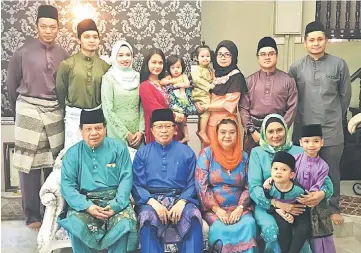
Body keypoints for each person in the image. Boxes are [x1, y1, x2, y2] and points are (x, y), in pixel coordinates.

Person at [6, 5, 69, 231]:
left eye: (53, 27)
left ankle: (52, 213)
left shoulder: (63, 54)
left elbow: (64, 87)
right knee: (29, 165)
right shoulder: (22, 52)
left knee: (55, 162)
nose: (48, 31)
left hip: (54, 110)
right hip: (28, 108)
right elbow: (12, 86)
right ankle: (32, 214)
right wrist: (21, 110)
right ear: (37, 27)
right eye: (44, 26)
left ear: (58, 28)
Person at [289, 20, 352, 225]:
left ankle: (332, 207)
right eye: (311, 40)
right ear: (304, 42)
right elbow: (293, 97)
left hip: (331, 128)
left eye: (320, 39)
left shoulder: (339, 64)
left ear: (326, 41)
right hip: (304, 128)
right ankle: (303, 203)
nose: (316, 43)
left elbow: (345, 96)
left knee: (331, 168)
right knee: (302, 170)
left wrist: (334, 117)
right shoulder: (296, 67)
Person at [248, 113, 333, 253]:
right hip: (267, 204)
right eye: (270, 131)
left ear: (286, 130)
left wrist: (321, 194)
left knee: (300, 231)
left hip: (296, 203)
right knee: (273, 230)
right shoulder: (257, 153)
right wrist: (277, 205)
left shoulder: (299, 151)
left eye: (279, 130)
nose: (276, 135)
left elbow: (325, 180)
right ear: (264, 133)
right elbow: (254, 186)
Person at [58, 108, 138, 253]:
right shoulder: (73, 153)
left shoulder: (118, 148)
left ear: (105, 128)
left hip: (115, 200)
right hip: (85, 203)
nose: (94, 133)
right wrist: (87, 206)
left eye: (98, 128)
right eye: (88, 129)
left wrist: (115, 205)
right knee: (76, 225)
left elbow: (126, 179)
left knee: (124, 223)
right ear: (81, 131)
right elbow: (67, 186)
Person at [132, 108, 203, 253]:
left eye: (167, 126)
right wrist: (154, 204)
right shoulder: (142, 153)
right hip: (151, 201)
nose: (163, 130)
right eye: (159, 126)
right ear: (151, 130)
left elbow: (193, 182)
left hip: (181, 199)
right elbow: (137, 184)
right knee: (147, 219)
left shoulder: (187, 152)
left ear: (175, 129)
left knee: (194, 217)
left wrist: (182, 202)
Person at [195, 118, 257, 253]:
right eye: (223, 132)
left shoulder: (244, 157)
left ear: (237, 134)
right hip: (214, 209)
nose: (227, 136)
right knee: (219, 228)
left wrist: (240, 208)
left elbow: (249, 186)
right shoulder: (207, 154)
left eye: (232, 132)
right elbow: (201, 186)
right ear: (216, 134)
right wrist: (217, 210)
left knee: (248, 224)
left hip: (239, 207)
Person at [56, 18, 110, 149]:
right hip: (74, 117)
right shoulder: (67, 64)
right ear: (79, 40)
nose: (92, 40)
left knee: (96, 156)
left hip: (97, 116)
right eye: (87, 37)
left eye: (95, 37)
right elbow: (60, 90)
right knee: (73, 155)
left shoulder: (105, 66)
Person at [239, 37, 298, 154]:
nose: (267, 57)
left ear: (276, 56)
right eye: (263, 54)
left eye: (271, 54)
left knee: (279, 168)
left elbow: (292, 108)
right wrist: (252, 131)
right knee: (253, 166)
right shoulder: (249, 81)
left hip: (278, 135)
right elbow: (243, 108)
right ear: (258, 57)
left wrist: (280, 131)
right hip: (254, 134)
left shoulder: (288, 80)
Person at [195, 40, 248, 147]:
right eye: (220, 54)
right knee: (209, 156)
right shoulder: (213, 74)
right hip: (209, 124)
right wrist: (198, 102)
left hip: (227, 126)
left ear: (233, 56)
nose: (223, 57)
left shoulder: (236, 76)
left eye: (227, 54)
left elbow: (229, 104)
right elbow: (203, 92)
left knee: (227, 158)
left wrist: (206, 106)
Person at [295, 124, 336, 253]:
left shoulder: (324, 166)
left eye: (316, 141)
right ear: (300, 142)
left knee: (319, 235)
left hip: (316, 204)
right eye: (306, 141)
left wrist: (312, 197)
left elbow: (319, 184)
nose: (311, 145)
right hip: (297, 202)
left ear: (322, 143)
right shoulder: (295, 160)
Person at [263, 151, 312, 253]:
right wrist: (278, 210)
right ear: (271, 171)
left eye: (284, 169)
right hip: (278, 211)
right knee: (284, 227)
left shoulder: (298, 190)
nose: (278, 172)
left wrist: (294, 216)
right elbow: (265, 201)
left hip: (298, 211)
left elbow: (305, 206)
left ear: (291, 175)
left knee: (303, 230)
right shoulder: (269, 187)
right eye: (275, 169)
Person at [101, 40, 144, 149]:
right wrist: (126, 134)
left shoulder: (138, 77)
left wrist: (141, 131)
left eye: (128, 55)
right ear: (114, 57)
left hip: (137, 134)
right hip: (117, 132)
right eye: (120, 55)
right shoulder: (109, 78)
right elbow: (108, 111)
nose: (125, 59)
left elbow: (142, 106)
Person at [139, 49, 184, 144]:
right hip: (158, 131)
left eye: (160, 63)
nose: (157, 66)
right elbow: (155, 111)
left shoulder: (165, 84)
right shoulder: (145, 86)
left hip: (174, 128)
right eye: (154, 62)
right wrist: (176, 115)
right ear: (147, 64)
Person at [160, 55, 197, 144]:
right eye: (173, 68)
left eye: (178, 67)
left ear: (182, 67)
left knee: (184, 120)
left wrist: (179, 85)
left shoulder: (183, 76)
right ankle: (179, 134)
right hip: (175, 102)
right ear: (169, 69)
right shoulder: (169, 77)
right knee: (176, 119)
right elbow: (162, 82)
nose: (176, 70)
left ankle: (186, 135)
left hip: (183, 101)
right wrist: (172, 81)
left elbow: (187, 84)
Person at [190, 43, 215, 144]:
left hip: (205, 93)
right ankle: (202, 131)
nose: (205, 58)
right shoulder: (195, 69)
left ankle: (199, 129)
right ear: (196, 58)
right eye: (202, 56)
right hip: (199, 94)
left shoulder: (209, 69)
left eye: (208, 56)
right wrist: (210, 86)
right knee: (206, 109)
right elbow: (197, 81)